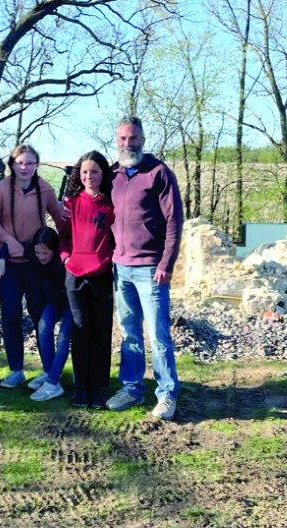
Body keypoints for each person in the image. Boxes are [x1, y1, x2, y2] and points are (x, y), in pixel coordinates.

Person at [106, 116, 183, 420]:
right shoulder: (113, 174)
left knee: (158, 334)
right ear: (117, 141)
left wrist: (166, 262)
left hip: (151, 269)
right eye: (123, 138)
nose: (129, 143)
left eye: (134, 138)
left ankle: (166, 394)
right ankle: (132, 387)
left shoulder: (159, 173)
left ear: (143, 139)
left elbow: (175, 221)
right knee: (129, 334)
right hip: (120, 268)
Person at [0, 143, 66, 389]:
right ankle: (16, 370)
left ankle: (48, 370)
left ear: (36, 165)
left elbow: (59, 218)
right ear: (12, 164)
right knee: (11, 314)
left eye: (30, 163)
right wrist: (8, 242)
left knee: (39, 315)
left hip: (36, 264)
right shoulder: (1, 188)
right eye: (20, 162)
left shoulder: (45, 188)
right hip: (8, 262)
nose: (25, 167)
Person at [59, 151, 115, 409]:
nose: (89, 176)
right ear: (78, 175)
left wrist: (109, 260)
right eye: (84, 172)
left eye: (94, 172)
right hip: (75, 277)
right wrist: (66, 259)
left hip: (102, 276)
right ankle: (80, 387)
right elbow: (63, 238)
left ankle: (97, 388)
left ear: (102, 173)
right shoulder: (70, 204)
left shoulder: (111, 204)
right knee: (80, 332)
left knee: (101, 332)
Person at [29, 227, 73, 402]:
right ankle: (49, 373)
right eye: (38, 252)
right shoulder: (35, 256)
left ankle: (54, 383)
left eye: (45, 253)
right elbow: (13, 248)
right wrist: (1, 259)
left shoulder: (63, 262)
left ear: (54, 250)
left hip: (72, 302)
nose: (41, 257)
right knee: (43, 327)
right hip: (55, 301)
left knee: (63, 337)